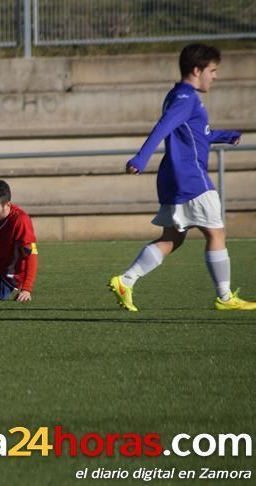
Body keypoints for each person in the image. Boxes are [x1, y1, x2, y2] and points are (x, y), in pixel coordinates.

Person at [109, 43, 255, 312]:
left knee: (172, 238)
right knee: (217, 232)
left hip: (173, 177)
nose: (215, 76)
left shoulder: (178, 96)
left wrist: (226, 135)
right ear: (197, 70)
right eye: (213, 70)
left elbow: (198, 134)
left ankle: (126, 280)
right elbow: (163, 127)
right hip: (191, 177)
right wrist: (141, 158)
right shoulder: (186, 99)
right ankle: (224, 296)